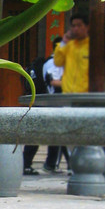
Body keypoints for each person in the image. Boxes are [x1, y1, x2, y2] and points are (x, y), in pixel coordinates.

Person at [41, 36, 69, 173]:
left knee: (62, 136)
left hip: (59, 103)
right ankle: (53, 163)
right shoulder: (53, 63)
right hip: (58, 103)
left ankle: (53, 163)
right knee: (62, 136)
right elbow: (53, 81)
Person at [53, 12, 90, 94]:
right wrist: (64, 41)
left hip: (85, 95)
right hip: (68, 94)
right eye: (73, 26)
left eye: (79, 25)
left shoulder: (93, 47)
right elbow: (57, 62)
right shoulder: (69, 45)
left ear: (87, 27)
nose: (76, 29)